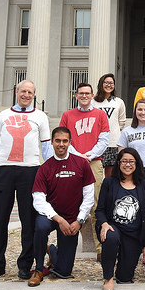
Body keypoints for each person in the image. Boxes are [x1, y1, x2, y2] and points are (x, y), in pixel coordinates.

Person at [0, 80, 51, 280]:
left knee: (28, 221)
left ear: (34, 95)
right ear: (16, 92)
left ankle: (25, 264)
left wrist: (52, 170)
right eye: (23, 91)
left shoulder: (40, 117)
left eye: (30, 92)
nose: (26, 95)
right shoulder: (4, 115)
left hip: (30, 172)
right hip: (2, 171)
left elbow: (46, 147)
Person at [28, 127, 95, 287]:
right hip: (51, 217)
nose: (61, 144)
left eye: (65, 141)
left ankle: (52, 250)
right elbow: (38, 199)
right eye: (57, 140)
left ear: (70, 142)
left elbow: (89, 196)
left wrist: (79, 220)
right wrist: (58, 220)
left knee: (64, 272)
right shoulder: (45, 168)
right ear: (52, 142)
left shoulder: (81, 164)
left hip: (72, 219)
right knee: (41, 226)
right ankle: (38, 268)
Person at [59, 82, 110, 262]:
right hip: (72, 163)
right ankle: (65, 251)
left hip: (94, 163)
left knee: (96, 206)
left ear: (92, 95)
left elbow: (104, 139)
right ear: (76, 96)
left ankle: (100, 249)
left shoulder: (100, 114)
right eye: (81, 93)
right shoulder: (67, 115)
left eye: (87, 93)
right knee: (70, 206)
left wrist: (89, 155)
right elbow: (62, 139)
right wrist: (79, 156)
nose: (84, 96)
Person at [95, 148, 145, 290]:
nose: (128, 165)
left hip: (134, 234)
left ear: (137, 163)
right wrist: (104, 224)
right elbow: (100, 210)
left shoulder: (144, 185)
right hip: (113, 227)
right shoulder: (109, 182)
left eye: (131, 161)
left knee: (125, 277)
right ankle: (108, 277)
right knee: (110, 237)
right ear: (118, 163)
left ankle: (122, 268)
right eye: (124, 161)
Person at [92, 73, 126, 178]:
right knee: (95, 175)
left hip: (113, 143)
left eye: (111, 83)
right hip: (96, 143)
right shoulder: (93, 102)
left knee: (110, 176)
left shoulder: (118, 102)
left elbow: (122, 121)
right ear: (101, 84)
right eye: (106, 82)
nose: (109, 85)